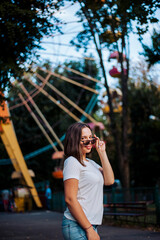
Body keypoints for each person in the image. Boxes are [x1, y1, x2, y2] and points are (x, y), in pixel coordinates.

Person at [62, 122, 114, 240]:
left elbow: (110, 180)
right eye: (84, 139)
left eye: (90, 138)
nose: (89, 142)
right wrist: (89, 229)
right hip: (77, 225)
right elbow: (70, 199)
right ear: (74, 140)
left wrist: (102, 153)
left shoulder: (92, 164)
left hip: (89, 224)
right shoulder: (72, 161)